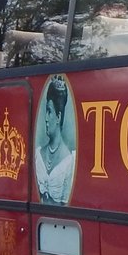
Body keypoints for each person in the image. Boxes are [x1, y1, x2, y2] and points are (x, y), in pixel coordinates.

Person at [35, 75, 75, 204]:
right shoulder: (38, 154)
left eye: (49, 111)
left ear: (58, 117)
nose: (46, 118)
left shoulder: (70, 162)